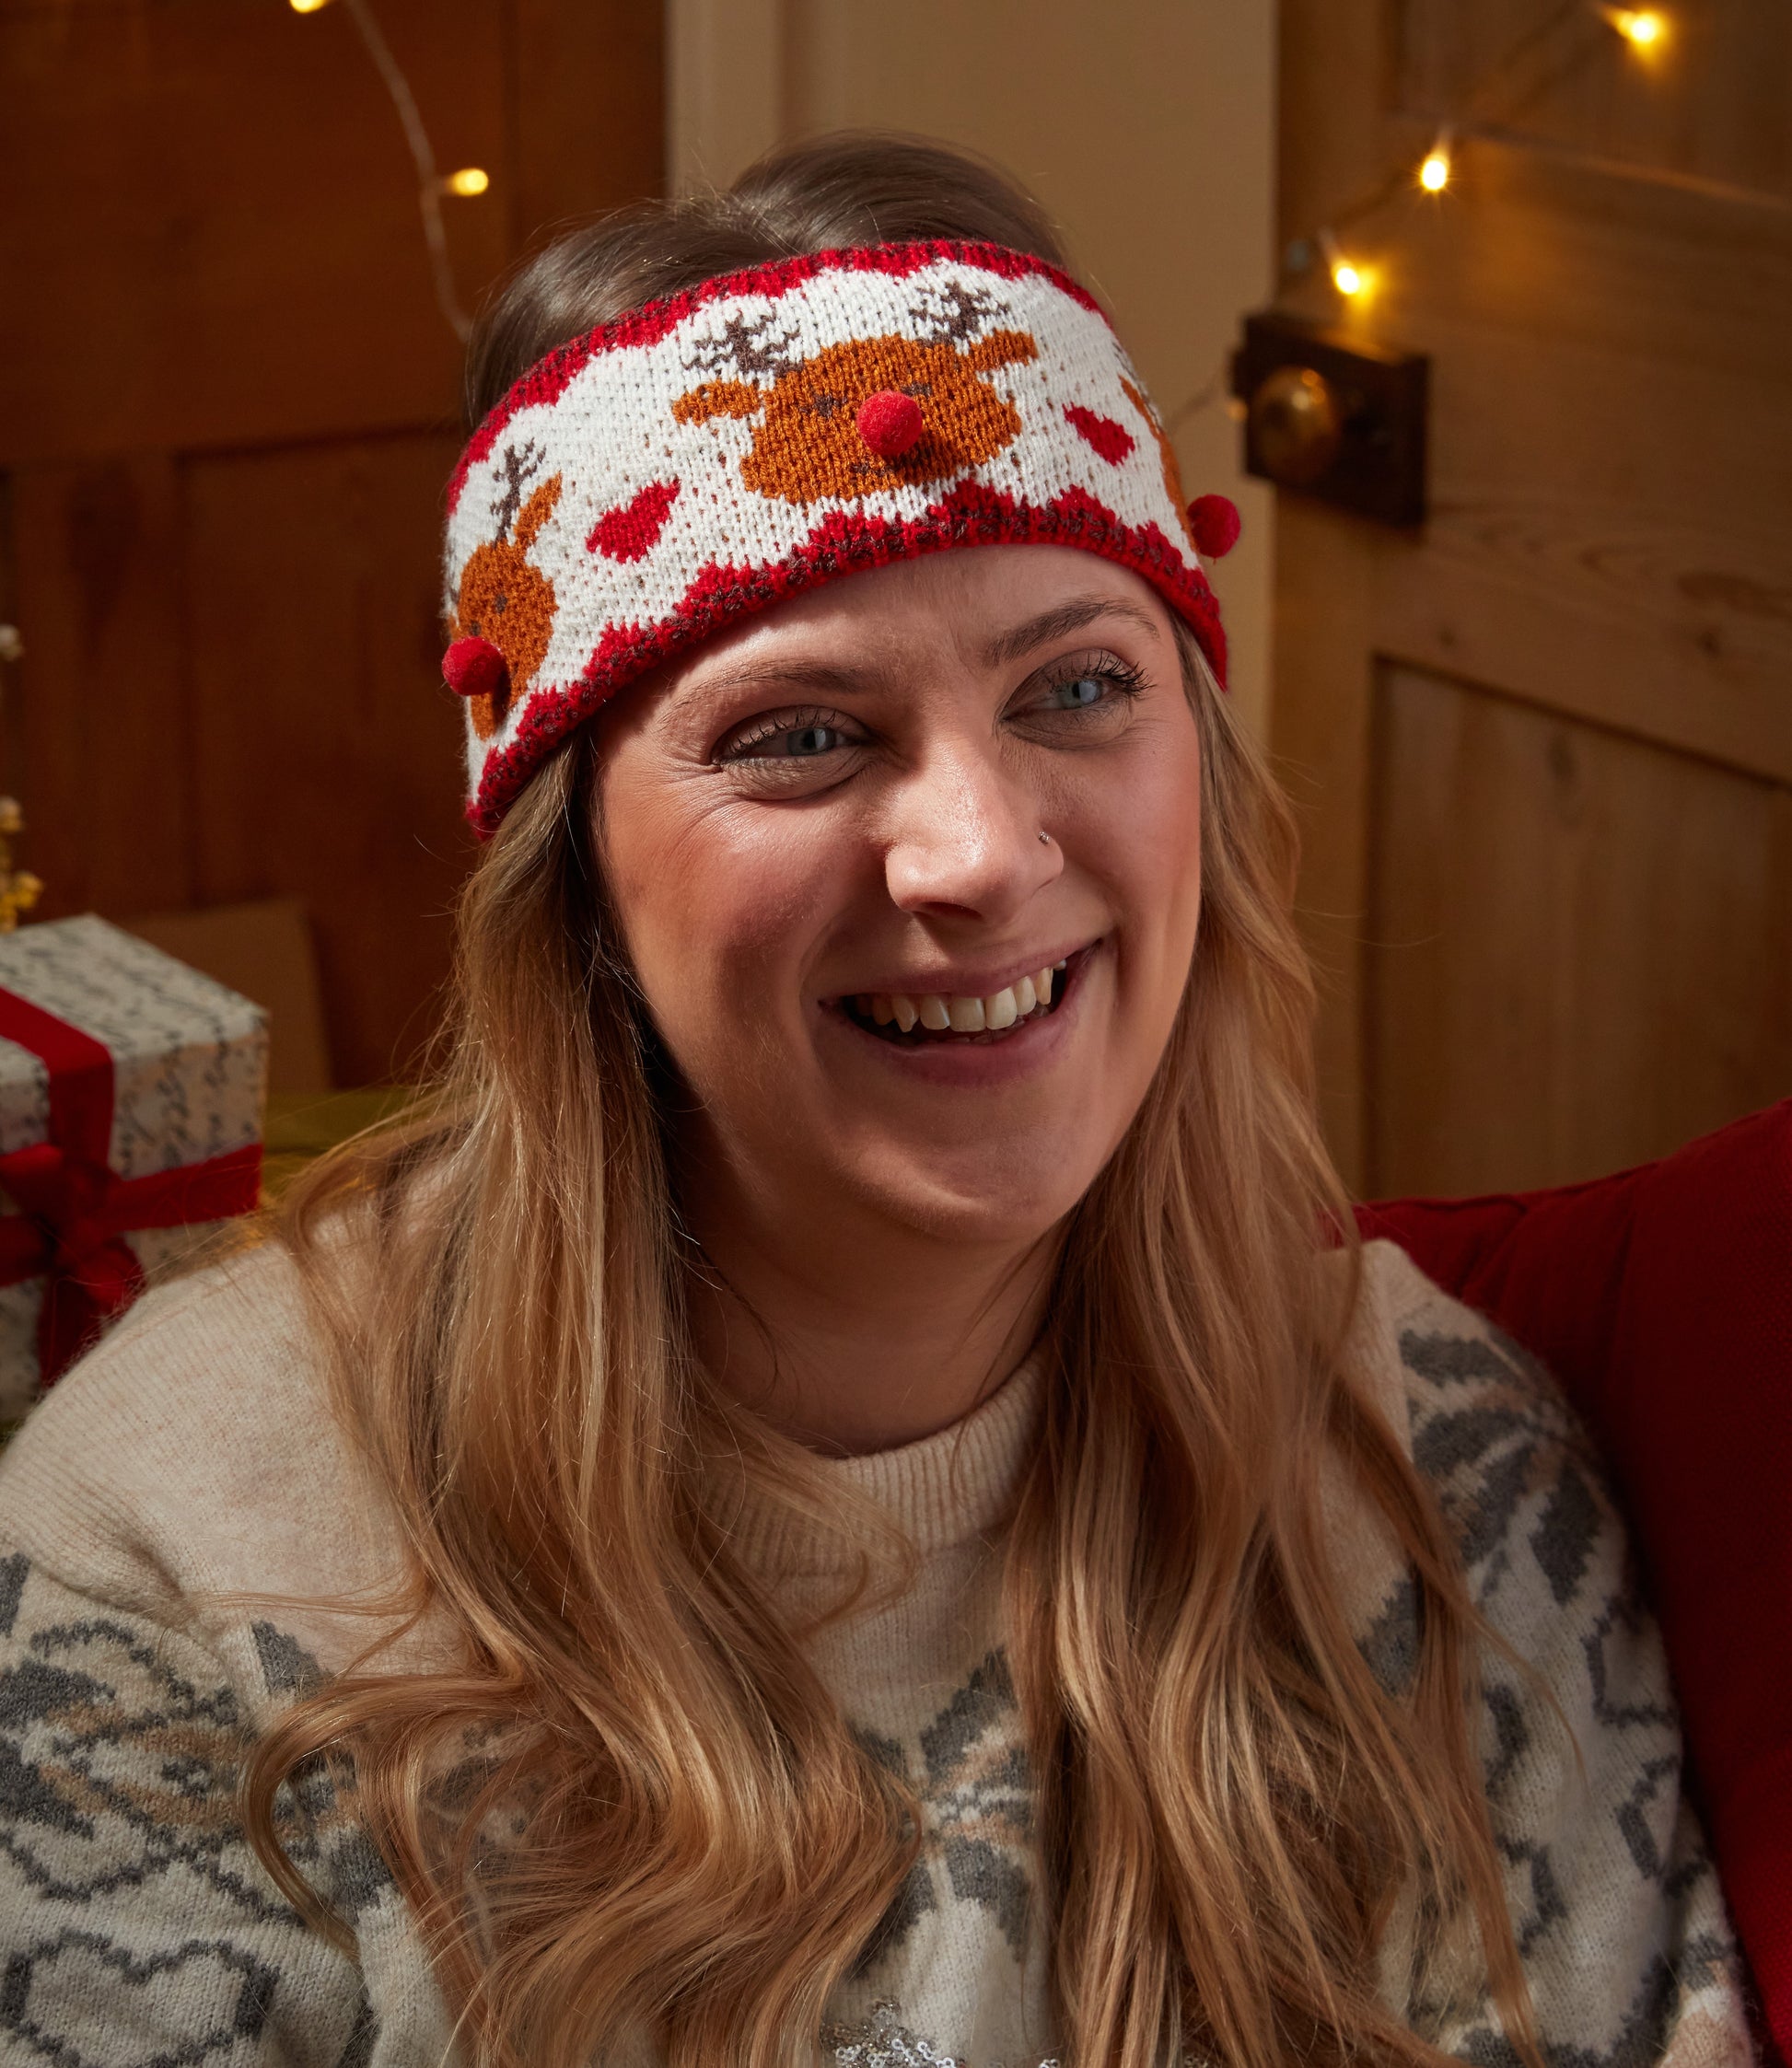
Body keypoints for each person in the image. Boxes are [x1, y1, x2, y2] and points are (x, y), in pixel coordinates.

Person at [0, 134, 1751, 2068]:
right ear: (569, 869)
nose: (980, 854)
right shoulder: (176, 1539)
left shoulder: (1434, 1483)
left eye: (1074, 688)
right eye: (803, 734)